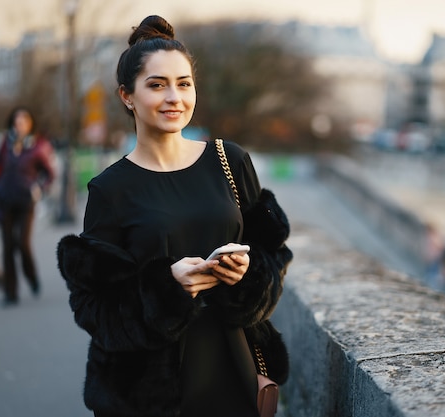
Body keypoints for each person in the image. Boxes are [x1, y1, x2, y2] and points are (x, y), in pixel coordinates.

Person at [56, 15, 292, 417]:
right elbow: (93, 306)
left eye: (184, 84)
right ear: (127, 96)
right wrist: (167, 289)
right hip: (148, 393)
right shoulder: (109, 190)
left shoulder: (229, 160)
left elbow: (273, 256)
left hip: (233, 367)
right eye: (157, 85)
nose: (174, 98)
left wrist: (246, 276)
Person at [0, 106, 55, 306]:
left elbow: (49, 175)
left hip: (26, 203)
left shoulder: (37, 147)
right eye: (17, 122)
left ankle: (32, 276)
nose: (20, 125)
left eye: (24, 122)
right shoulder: (5, 145)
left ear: (30, 125)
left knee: (23, 243)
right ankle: (10, 292)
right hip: (5, 201)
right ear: (12, 124)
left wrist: (39, 189)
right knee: (8, 245)